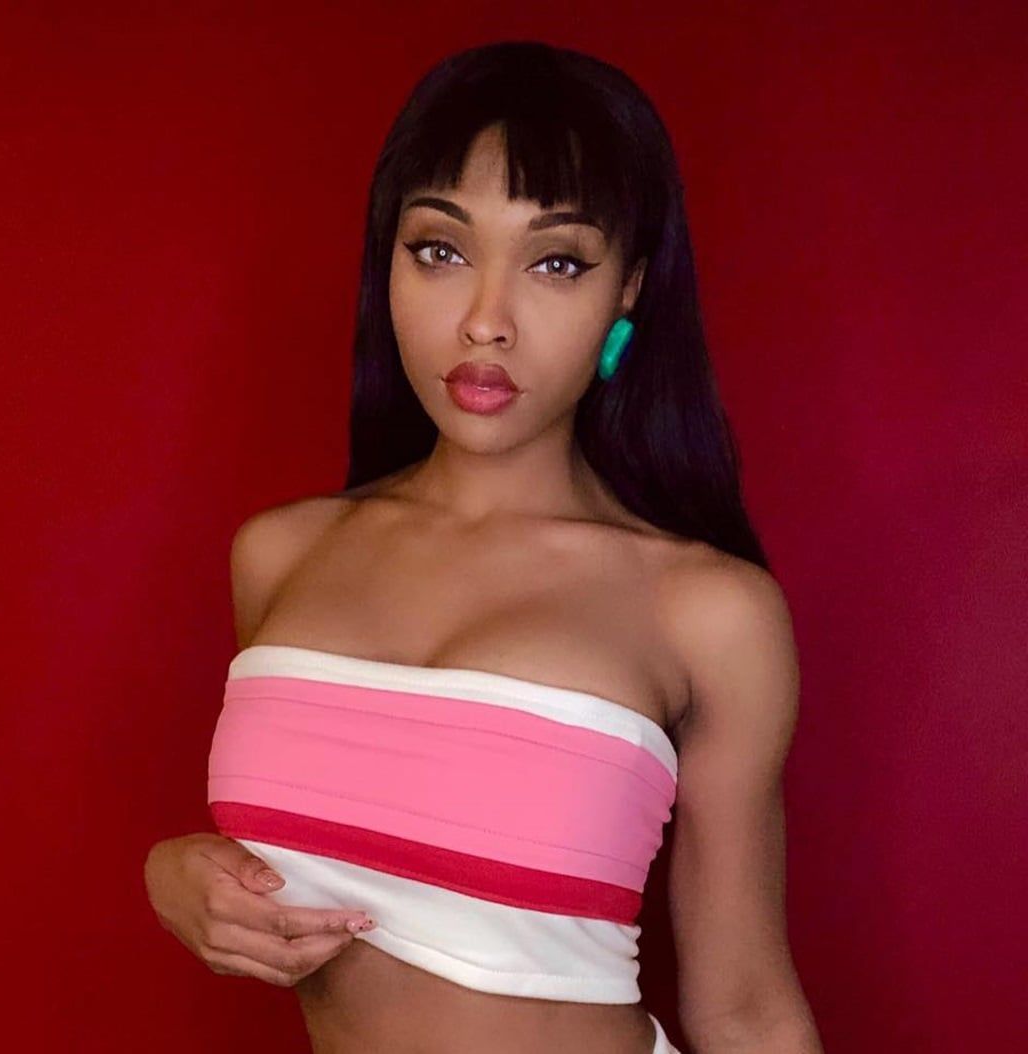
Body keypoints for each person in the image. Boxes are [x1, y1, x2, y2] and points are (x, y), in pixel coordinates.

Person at [144, 40, 824, 1054]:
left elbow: (747, 1008)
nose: (485, 322)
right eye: (441, 250)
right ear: (388, 262)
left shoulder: (707, 610)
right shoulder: (281, 556)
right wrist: (172, 876)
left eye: (557, 262)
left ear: (628, 289)